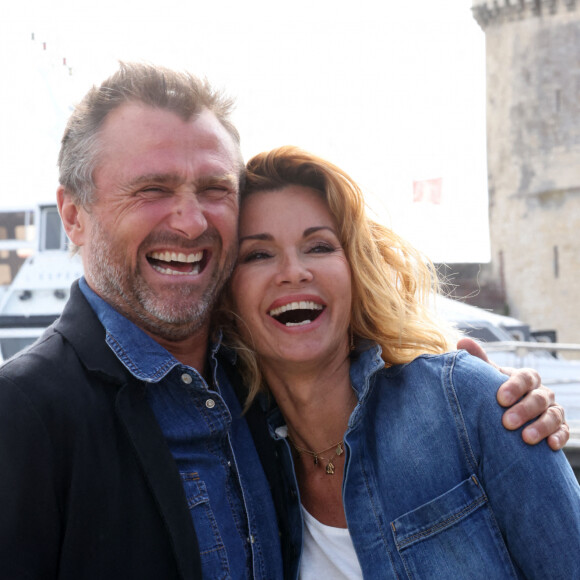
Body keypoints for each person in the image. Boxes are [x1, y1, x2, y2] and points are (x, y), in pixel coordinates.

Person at [0, 62, 568, 579]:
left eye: (216, 189)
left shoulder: (255, 404)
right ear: (73, 215)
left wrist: (476, 400)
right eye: (152, 188)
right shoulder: (21, 416)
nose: (191, 220)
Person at [219, 146, 580, 579]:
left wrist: (484, 394)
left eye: (319, 246)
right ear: (228, 292)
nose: (293, 271)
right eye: (258, 254)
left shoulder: (472, 404)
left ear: (355, 270)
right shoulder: (239, 462)